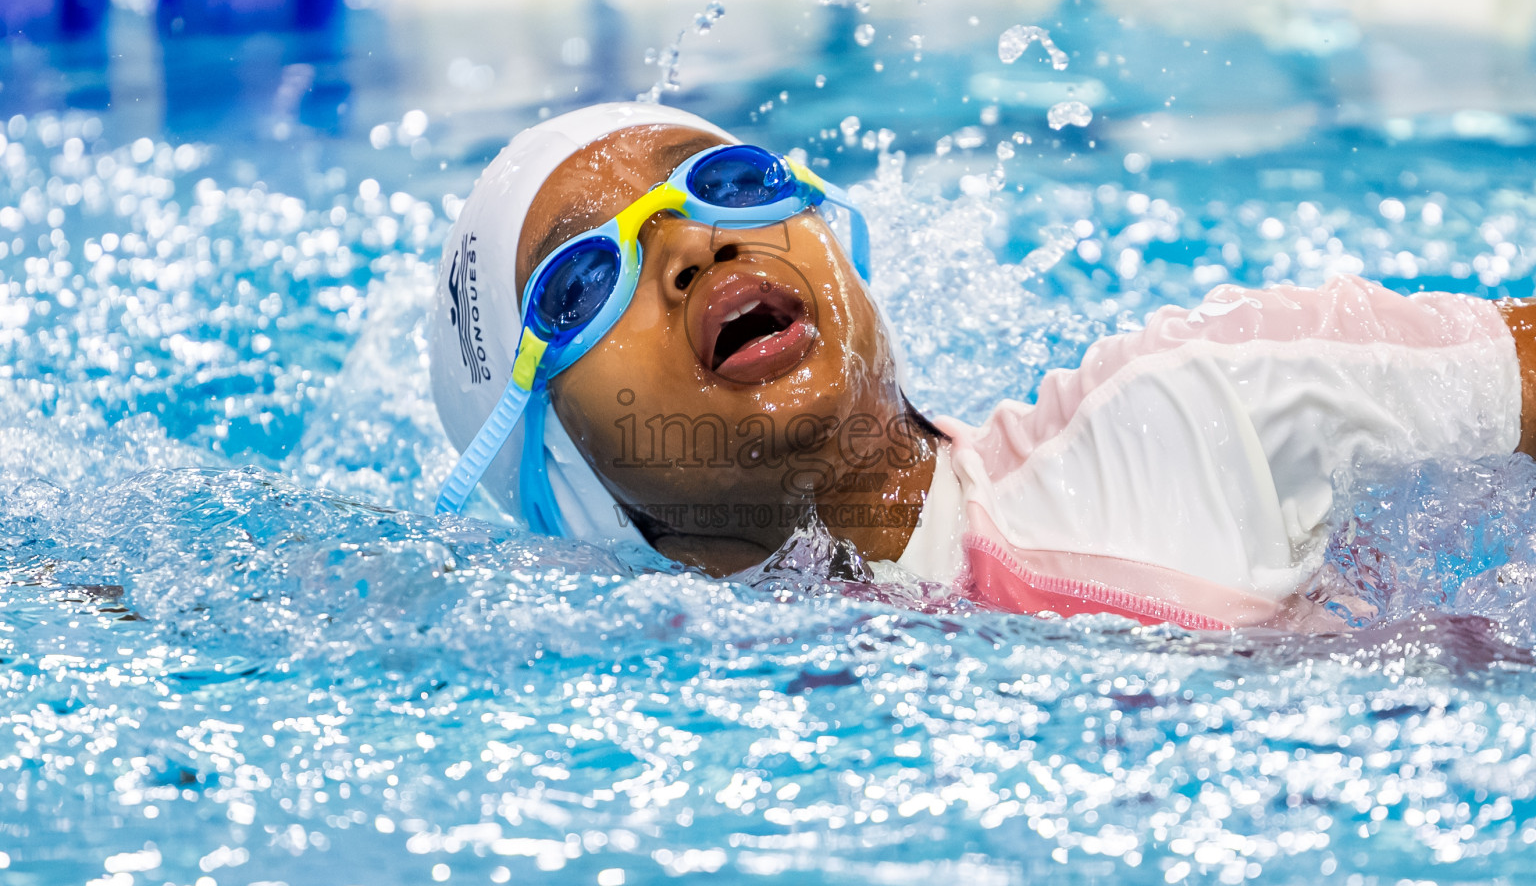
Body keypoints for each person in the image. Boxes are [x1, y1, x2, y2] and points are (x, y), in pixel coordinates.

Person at [428, 101, 1536, 631]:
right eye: (580, 280)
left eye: (728, 178)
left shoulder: (1191, 412)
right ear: (562, 469)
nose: (690, 242)